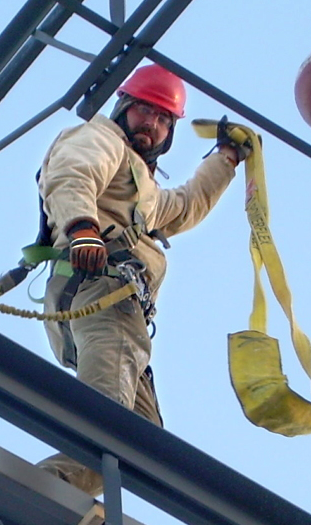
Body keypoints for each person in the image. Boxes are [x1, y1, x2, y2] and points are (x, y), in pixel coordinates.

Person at [36, 64, 248, 495]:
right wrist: (82, 229)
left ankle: (56, 499)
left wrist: (226, 159)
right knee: (108, 425)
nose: (152, 124)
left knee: (140, 442)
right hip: (102, 289)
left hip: (109, 303)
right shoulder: (102, 139)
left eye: (164, 119)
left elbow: (185, 206)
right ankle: (33, 493)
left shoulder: (139, 186)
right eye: (145, 112)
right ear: (124, 108)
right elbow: (73, 175)